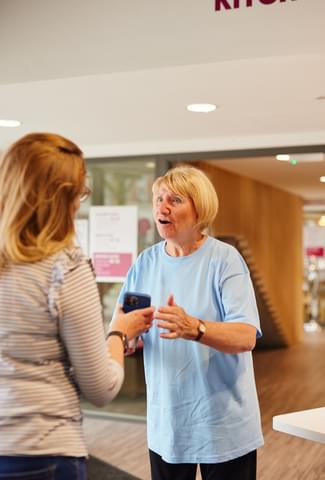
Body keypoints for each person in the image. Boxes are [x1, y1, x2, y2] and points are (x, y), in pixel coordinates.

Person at [0, 133, 154, 480]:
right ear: (62, 197)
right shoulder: (65, 267)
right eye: (80, 193)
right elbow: (100, 388)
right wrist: (118, 333)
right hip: (41, 451)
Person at [117, 165, 264, 480]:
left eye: (175, 200)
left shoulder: (225, 260)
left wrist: (196, 328)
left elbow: (246, 335)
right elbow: (125, 325)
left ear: (200, 209)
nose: (162, 207)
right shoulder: (144, 264)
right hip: (168, 423)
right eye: (158, 199)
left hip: (224, 424)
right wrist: (128, 339)